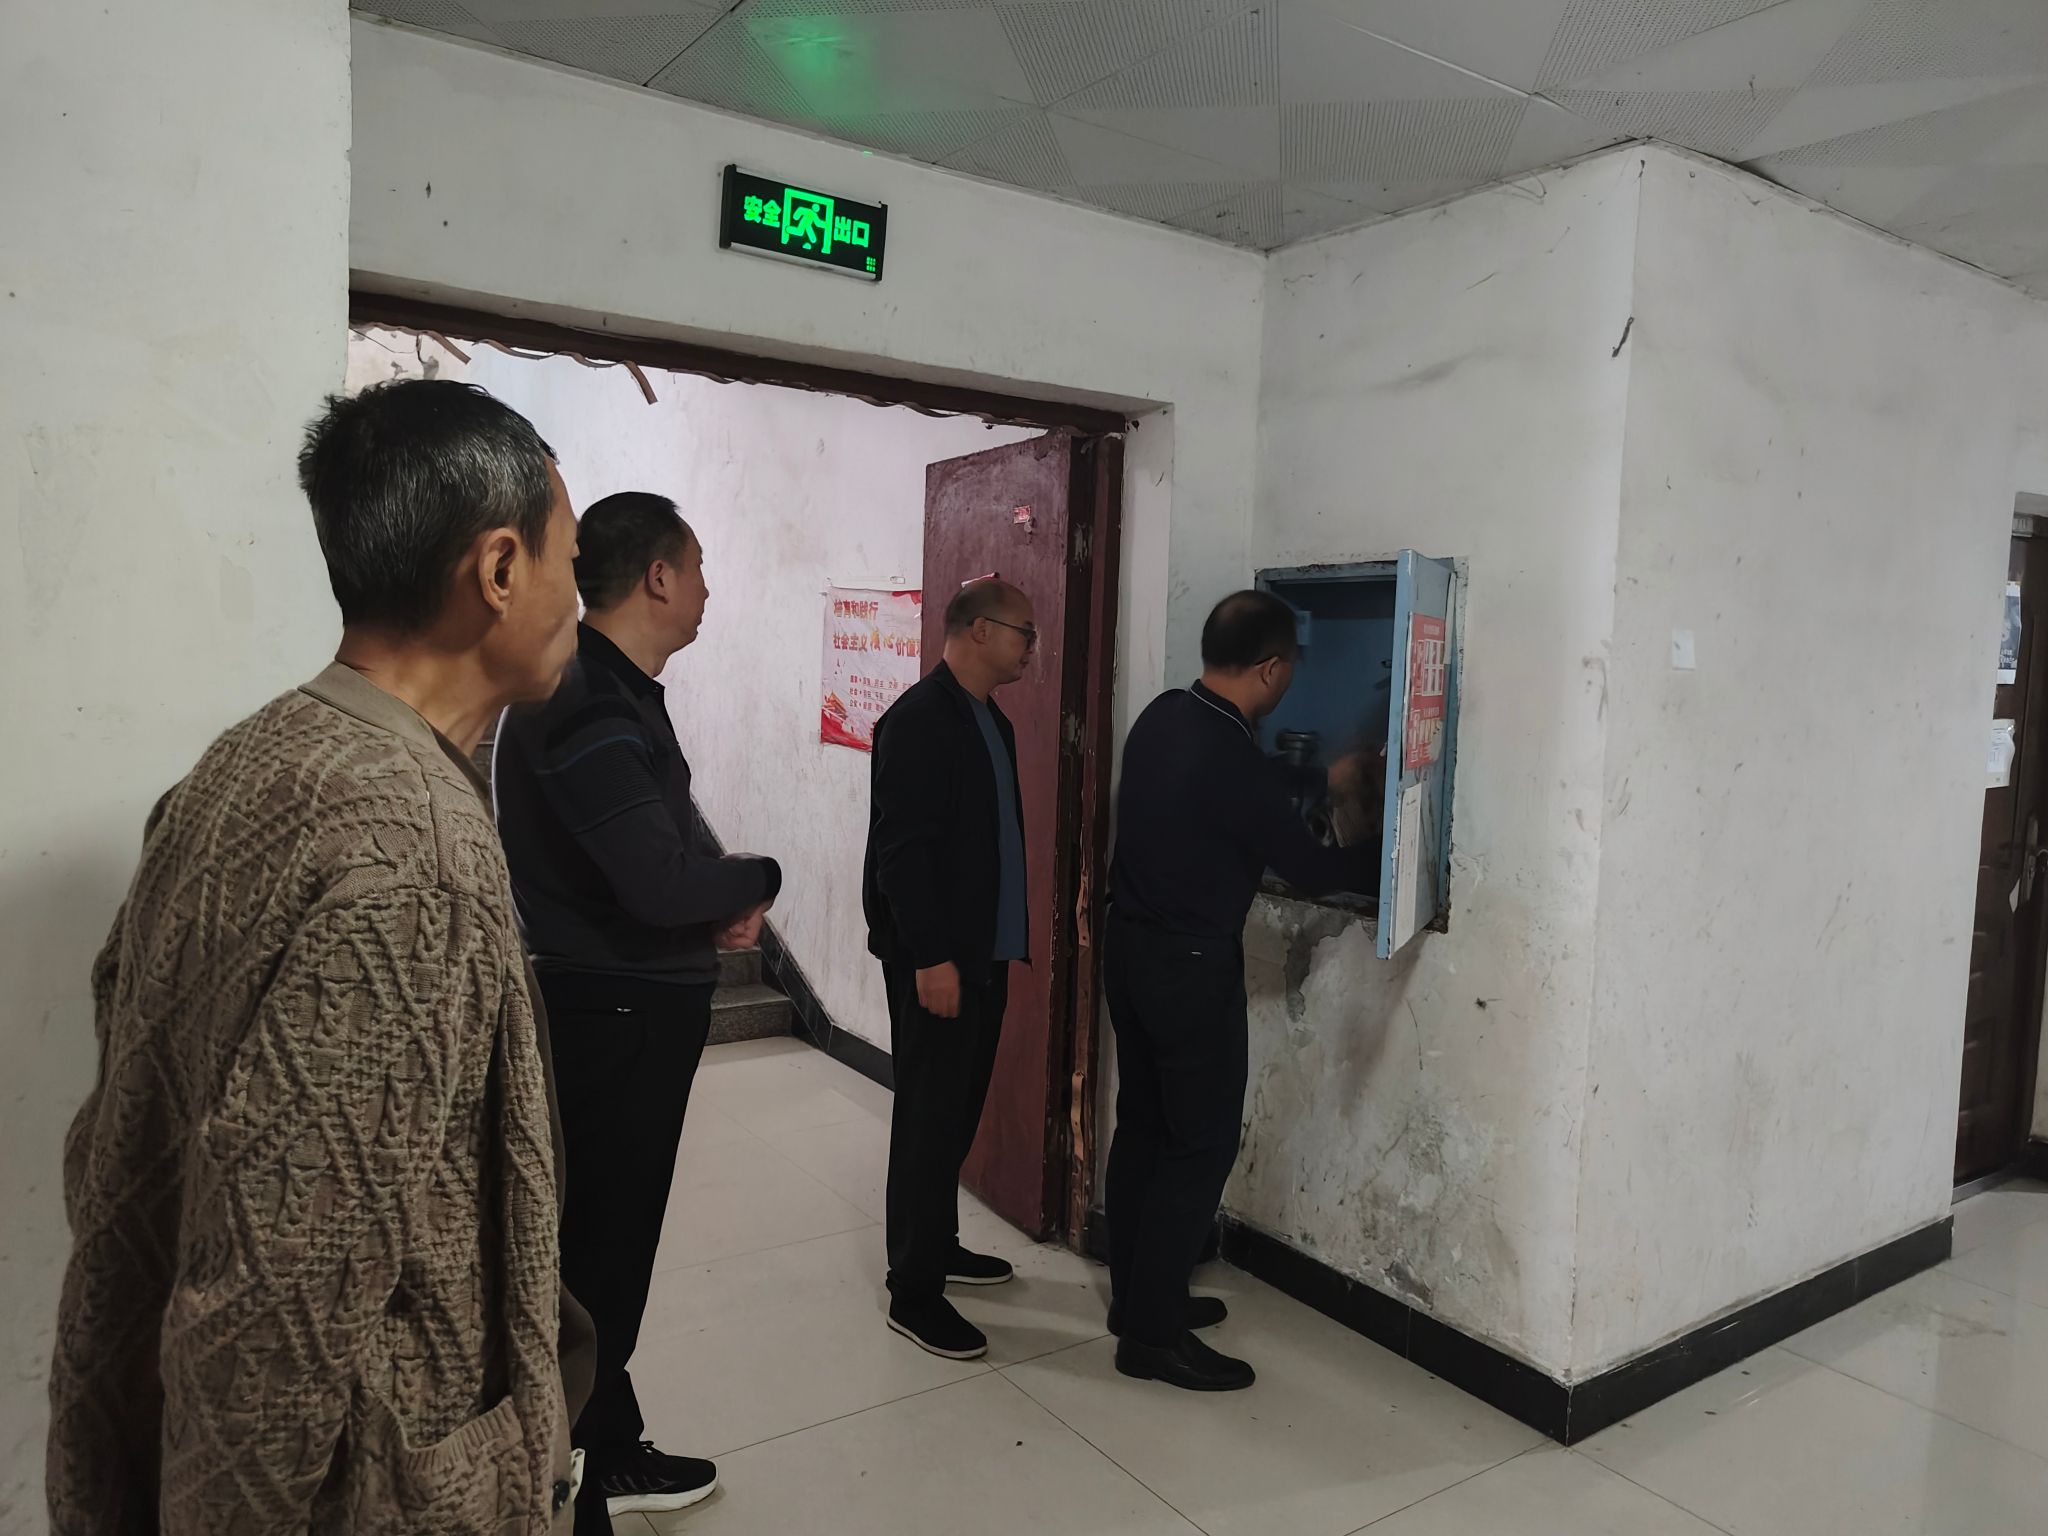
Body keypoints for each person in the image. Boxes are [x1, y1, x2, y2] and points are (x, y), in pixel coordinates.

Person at [47, 380, 594, 1534]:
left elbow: (123, 1086)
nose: (577, 600)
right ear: (499, 570)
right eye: (570, 560)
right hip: (356, 1490)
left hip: (159, 1419)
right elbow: (271, 1307)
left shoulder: (248, 756)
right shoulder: (416, 854)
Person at [492, 492, 780, 1529]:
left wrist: (706, 896)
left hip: (622, 1006)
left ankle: (606, 1446)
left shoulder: (612, 691)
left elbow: (652, 856)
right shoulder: (585, 700)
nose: (707, 589)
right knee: (599, 1268)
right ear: (658, 577)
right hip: (612, 1017)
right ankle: (564, 1486)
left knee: (600, 1256)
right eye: (697, 566)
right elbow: (659, 885)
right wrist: (760, 875)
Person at [1105, 590, 1378, 1392]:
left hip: (1131, 949)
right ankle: (1150, 1339)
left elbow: (1233, 799)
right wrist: (1388, 858)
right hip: (1189, 966)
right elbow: (1311, 867)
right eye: (1290, 667)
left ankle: (1138, 1299)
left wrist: (1316, 782)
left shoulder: (1165, 716)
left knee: (1145, 1127)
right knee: (1200, 1144)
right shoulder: (1231, 754)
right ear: (1271, 668)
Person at [862, 579, 1036, 1360]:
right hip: (936, 961)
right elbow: (902, 852)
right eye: (1022, 631)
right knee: (928, 1118)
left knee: (956, 1113)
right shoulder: (920, 720)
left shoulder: (990, 719)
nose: (1031, 646)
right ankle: (913, 1290)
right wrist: (930, 955)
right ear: (977, 630)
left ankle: (939, 1244)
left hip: (981, 955)